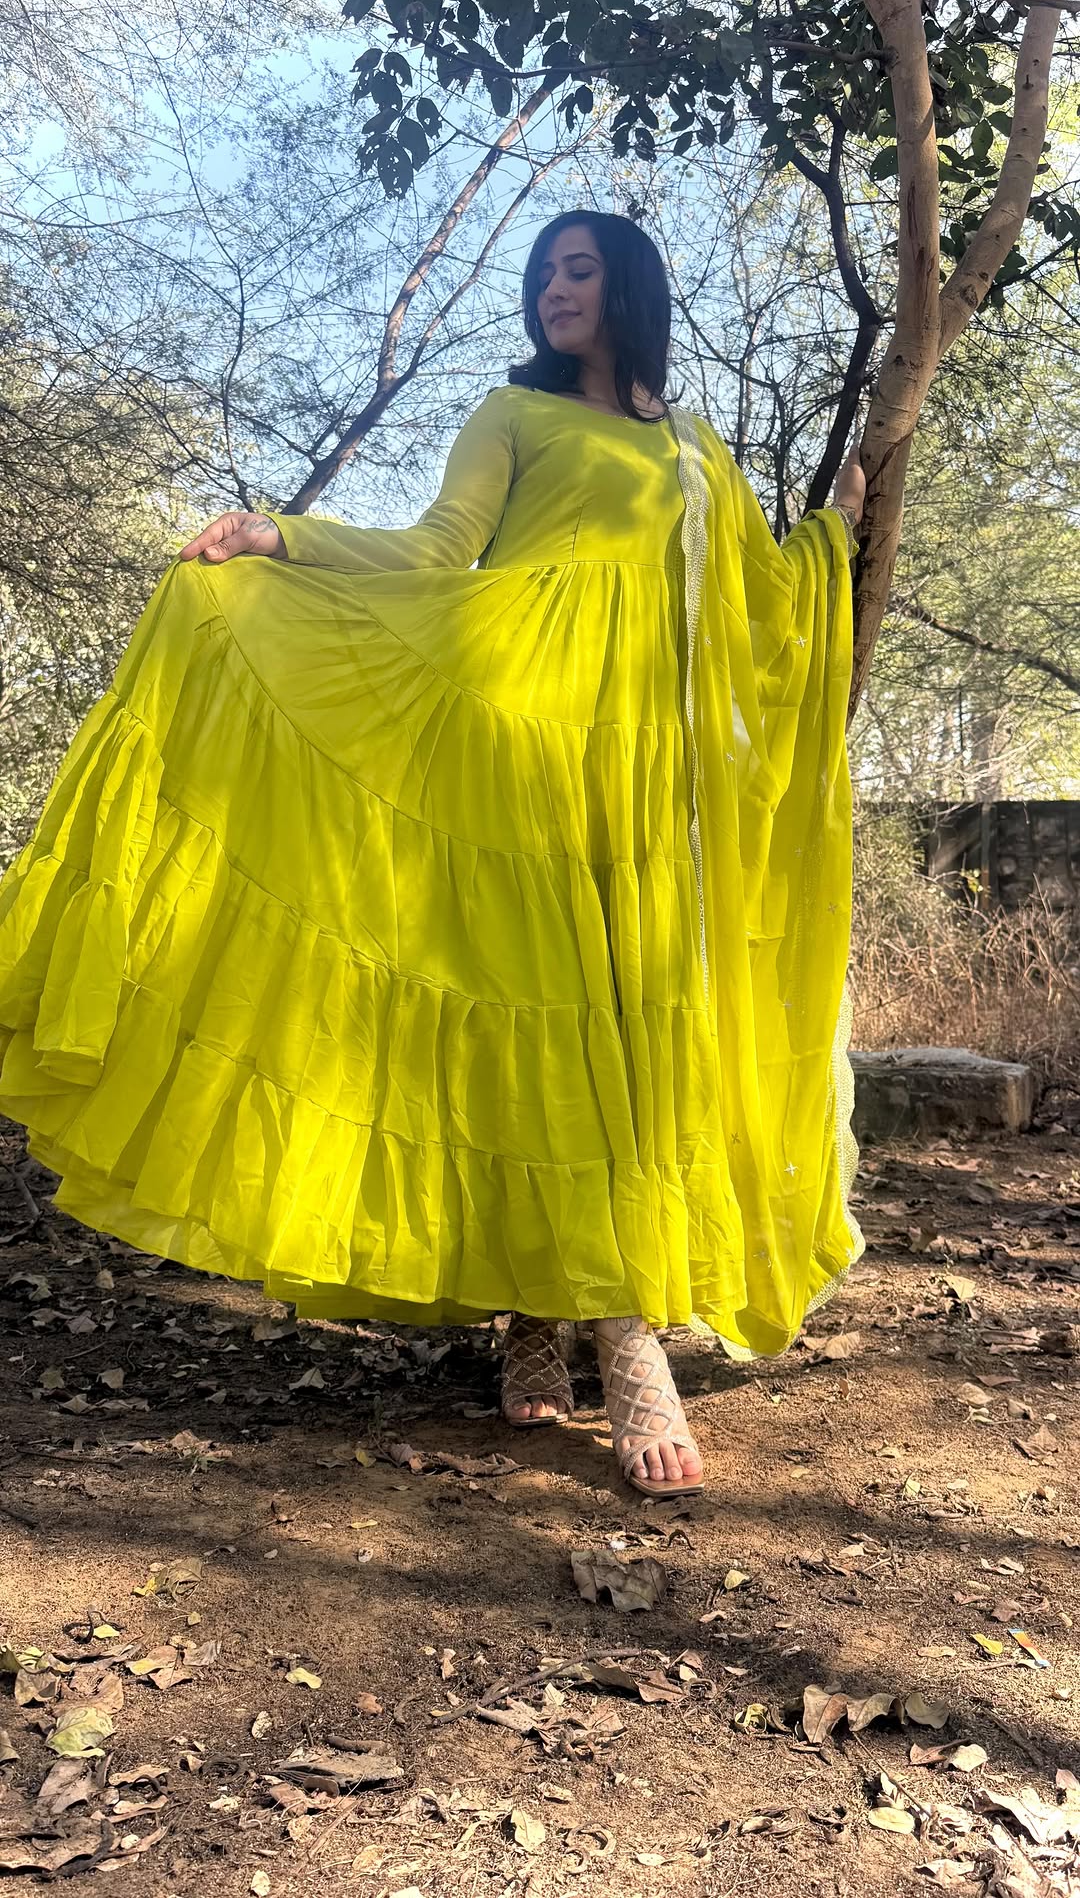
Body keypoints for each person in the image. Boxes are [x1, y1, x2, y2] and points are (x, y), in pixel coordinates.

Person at [0, 209, 865, 1500]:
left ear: (628, 285)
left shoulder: (693, 448)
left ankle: (554, 1316)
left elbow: (757, 605)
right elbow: (433, 551)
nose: (554, 289)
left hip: (639, 785)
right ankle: (614, 1332)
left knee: (630, 1033)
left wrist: (835, 531)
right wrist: (280, 538)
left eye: (578, 269)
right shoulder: (511, 416)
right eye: (543, 272)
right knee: (551, 1021)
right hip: (512, 743)